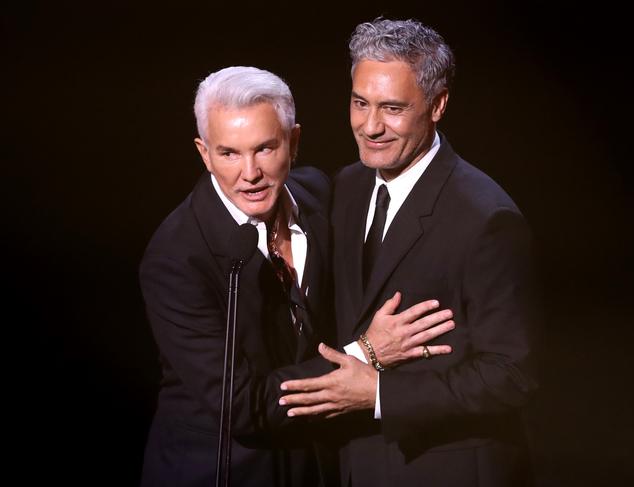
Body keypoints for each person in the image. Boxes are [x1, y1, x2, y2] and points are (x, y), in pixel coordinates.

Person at [139, 66, 455, 487]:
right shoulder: (176, 256)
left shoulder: (320, 196)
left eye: (265, 149)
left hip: (315, 465)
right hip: (224, 471)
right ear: (204, 152)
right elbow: (244, 406)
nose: (249, 173)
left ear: (294, 141)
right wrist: (366, 352)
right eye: (228, 153)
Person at [279, 18, 541, 486]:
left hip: (448, 470)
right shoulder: (349, 185)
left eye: (393, 108)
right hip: (357, 465)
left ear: (438, 105)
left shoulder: (487, 219)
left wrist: (380, 393)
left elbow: (512, 374)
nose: (370, 126)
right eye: (360, 103)